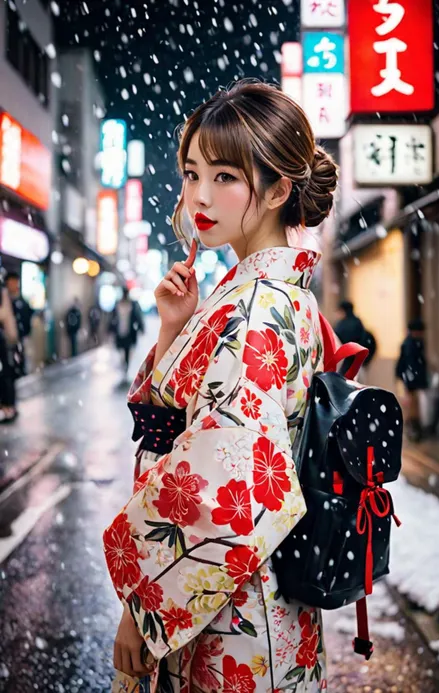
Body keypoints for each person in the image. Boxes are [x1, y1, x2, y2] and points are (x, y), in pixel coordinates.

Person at [103, 80, 337, 692]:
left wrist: (144, 605)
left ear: (280, 188)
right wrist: (176, 327)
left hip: (230, 611)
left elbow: (226, 477)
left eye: (226, 176)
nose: (200, 195)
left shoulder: (256, 305)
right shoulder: (272, 295)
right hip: (254, 592)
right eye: (191, 172)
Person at [395, 318, 429, 442]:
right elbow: (410, 363)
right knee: (413, 404)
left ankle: (413, 427)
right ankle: (413, 428)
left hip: (410, 378)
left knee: (413, 404)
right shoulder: (412, 344)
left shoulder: (411, 342)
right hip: (411, 379)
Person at [109, 288, 144, 377]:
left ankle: (126, 365)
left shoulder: (132, 304)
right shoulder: (117, 304)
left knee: (127, 349)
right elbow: (112, 317)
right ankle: (123, 362)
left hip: (129, 331)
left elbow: (137, 316)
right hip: (120, 331)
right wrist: (110, 328)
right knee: (120, 348)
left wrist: (141, 327)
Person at [334, 300, 377, 374]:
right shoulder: (358, 323)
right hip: (358, 364)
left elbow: (336, 343)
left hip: (344, 365)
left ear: (342, 311)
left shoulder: (341, 325)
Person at [5, 271, 34, 378]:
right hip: (7, 341)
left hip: (20, 339)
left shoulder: (22, 302)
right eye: (11, 282)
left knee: (20, 364)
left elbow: (28, 318)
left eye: (16, 282)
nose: (14, 285)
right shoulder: (5, 301)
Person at [0, 283, 19, 423]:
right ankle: (8, 407)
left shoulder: (2, 292)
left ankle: (8, 407)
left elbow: (4, 315)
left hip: (4, 339)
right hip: (5, 338)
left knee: (6, 373)